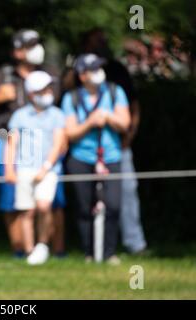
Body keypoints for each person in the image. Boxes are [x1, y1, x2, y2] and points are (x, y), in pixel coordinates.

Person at [0, 29, 59, 257]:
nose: (36, 49)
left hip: (43, 142)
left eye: (36, 44)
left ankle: (46, 249)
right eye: (30, 45)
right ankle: (20, 249)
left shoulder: (49, 73)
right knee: (11, 196)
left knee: (48, 198)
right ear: (17, 51)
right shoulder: (2, 75)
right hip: (8, 141)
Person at [83, 28, 147, 254]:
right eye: (96, 38)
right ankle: (94, 249)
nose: (101, 42)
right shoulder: (77, 75)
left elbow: (134, 106)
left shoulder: (117, 72)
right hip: (85, 150)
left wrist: (128, 137)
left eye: (103, 38)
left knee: (125, 194)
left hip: (118, 148)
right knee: (88, 199)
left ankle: (135, 243)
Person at [62, 53, 131, 265]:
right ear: (82, 75)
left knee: (113, 205)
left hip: (110, 156)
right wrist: (90, 122)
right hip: (81, 158)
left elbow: (125, 124)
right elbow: (71, 132)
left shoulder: (114, 91)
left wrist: (108, 117)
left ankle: (109, 252)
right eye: (93, 69)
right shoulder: (71, 98)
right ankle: (89, 252)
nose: (99, 72)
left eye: (99, 68)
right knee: (85, 207)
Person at [5, 71, 65, 265]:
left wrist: (46, 168)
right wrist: (9, 169)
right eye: (43, 89)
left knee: (44, 206)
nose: (48, 92)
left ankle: (42, 245)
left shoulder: (57, 114)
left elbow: (58, 144)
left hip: (48, 170)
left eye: (49, 88)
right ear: (32, 93)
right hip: (24, 168)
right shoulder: (20, 115)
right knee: (26, 211)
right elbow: (12, 144)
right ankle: (30, 251)